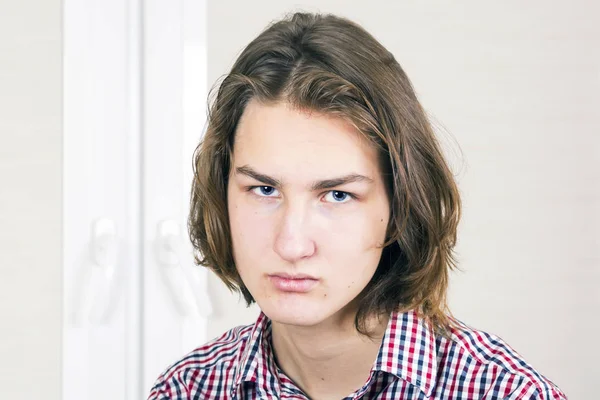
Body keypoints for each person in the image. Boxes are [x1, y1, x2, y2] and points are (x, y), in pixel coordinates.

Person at [147, 11, 567, 400]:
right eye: (263, 190)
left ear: (400, 206)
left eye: (337, 195)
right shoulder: (186, 389)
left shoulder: (505, 392)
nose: (292, 244)